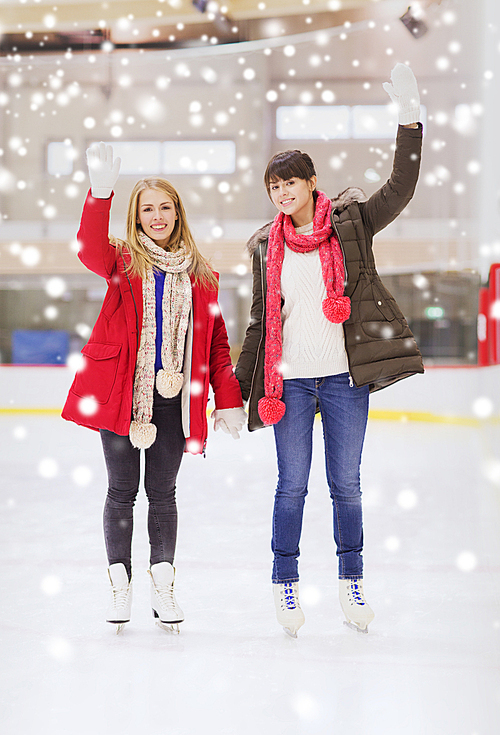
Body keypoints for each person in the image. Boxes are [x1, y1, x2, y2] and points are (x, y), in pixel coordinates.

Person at [235, 63, 424, 637]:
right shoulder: (266, 245)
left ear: (310, 182)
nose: (282, 191)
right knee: (291, 486)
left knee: (347, 484)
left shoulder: (351, 223)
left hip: (344, 379)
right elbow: (258, 324)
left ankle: (351, 579)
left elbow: (401, 187)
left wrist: (409, 122)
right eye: (274, 185)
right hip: (288, 384)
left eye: (290, 181)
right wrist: (232, 390)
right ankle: (285, 582)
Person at [62, 143, 245, 633]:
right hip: (124, 394)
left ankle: (162, 582)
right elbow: (88, 247)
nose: (158, 216)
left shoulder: (202, 274)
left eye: (166, 207)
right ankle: (120, 584)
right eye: (148, 209)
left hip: (174, 399)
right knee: (121, 492)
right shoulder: (122, 262)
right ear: (136, 217)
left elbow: (218, 344)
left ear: (177, 213)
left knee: (162, 493)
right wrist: (100, 193)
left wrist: (227, 400)